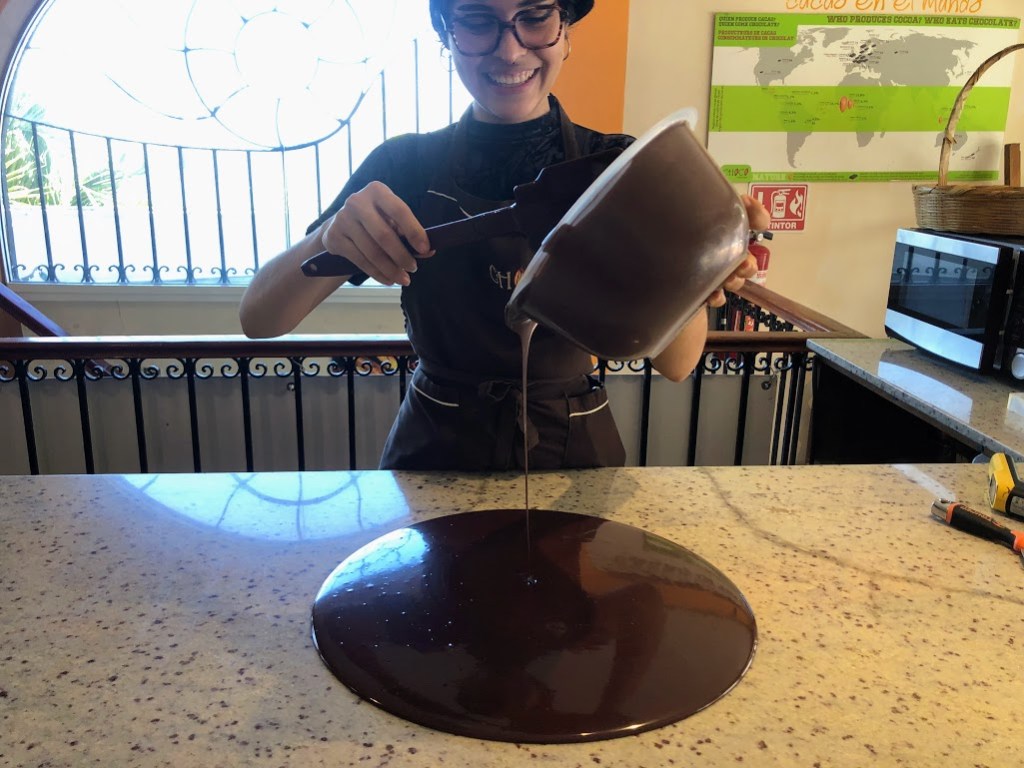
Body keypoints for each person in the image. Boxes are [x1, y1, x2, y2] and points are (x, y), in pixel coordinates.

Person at [239, 0, 770, 471]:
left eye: (535, 17)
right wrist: (326, 238)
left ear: (566, 31)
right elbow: (260, 320)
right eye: (476, 22)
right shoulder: (403, 166)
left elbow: (677, 363)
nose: (510, 50)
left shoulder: (620, 166)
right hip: (436, 446)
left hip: (576, 449)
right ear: (447, 36)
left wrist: (697, 261)